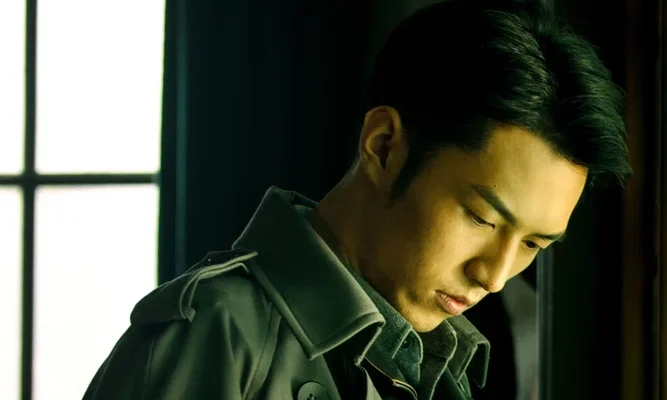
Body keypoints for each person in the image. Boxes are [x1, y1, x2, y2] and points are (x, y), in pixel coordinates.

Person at [83, 0, 631, 399]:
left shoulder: (446, 365)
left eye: (533, 244)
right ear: (384, 146)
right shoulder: (214, 334)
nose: (494, 275)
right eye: (481, 218)